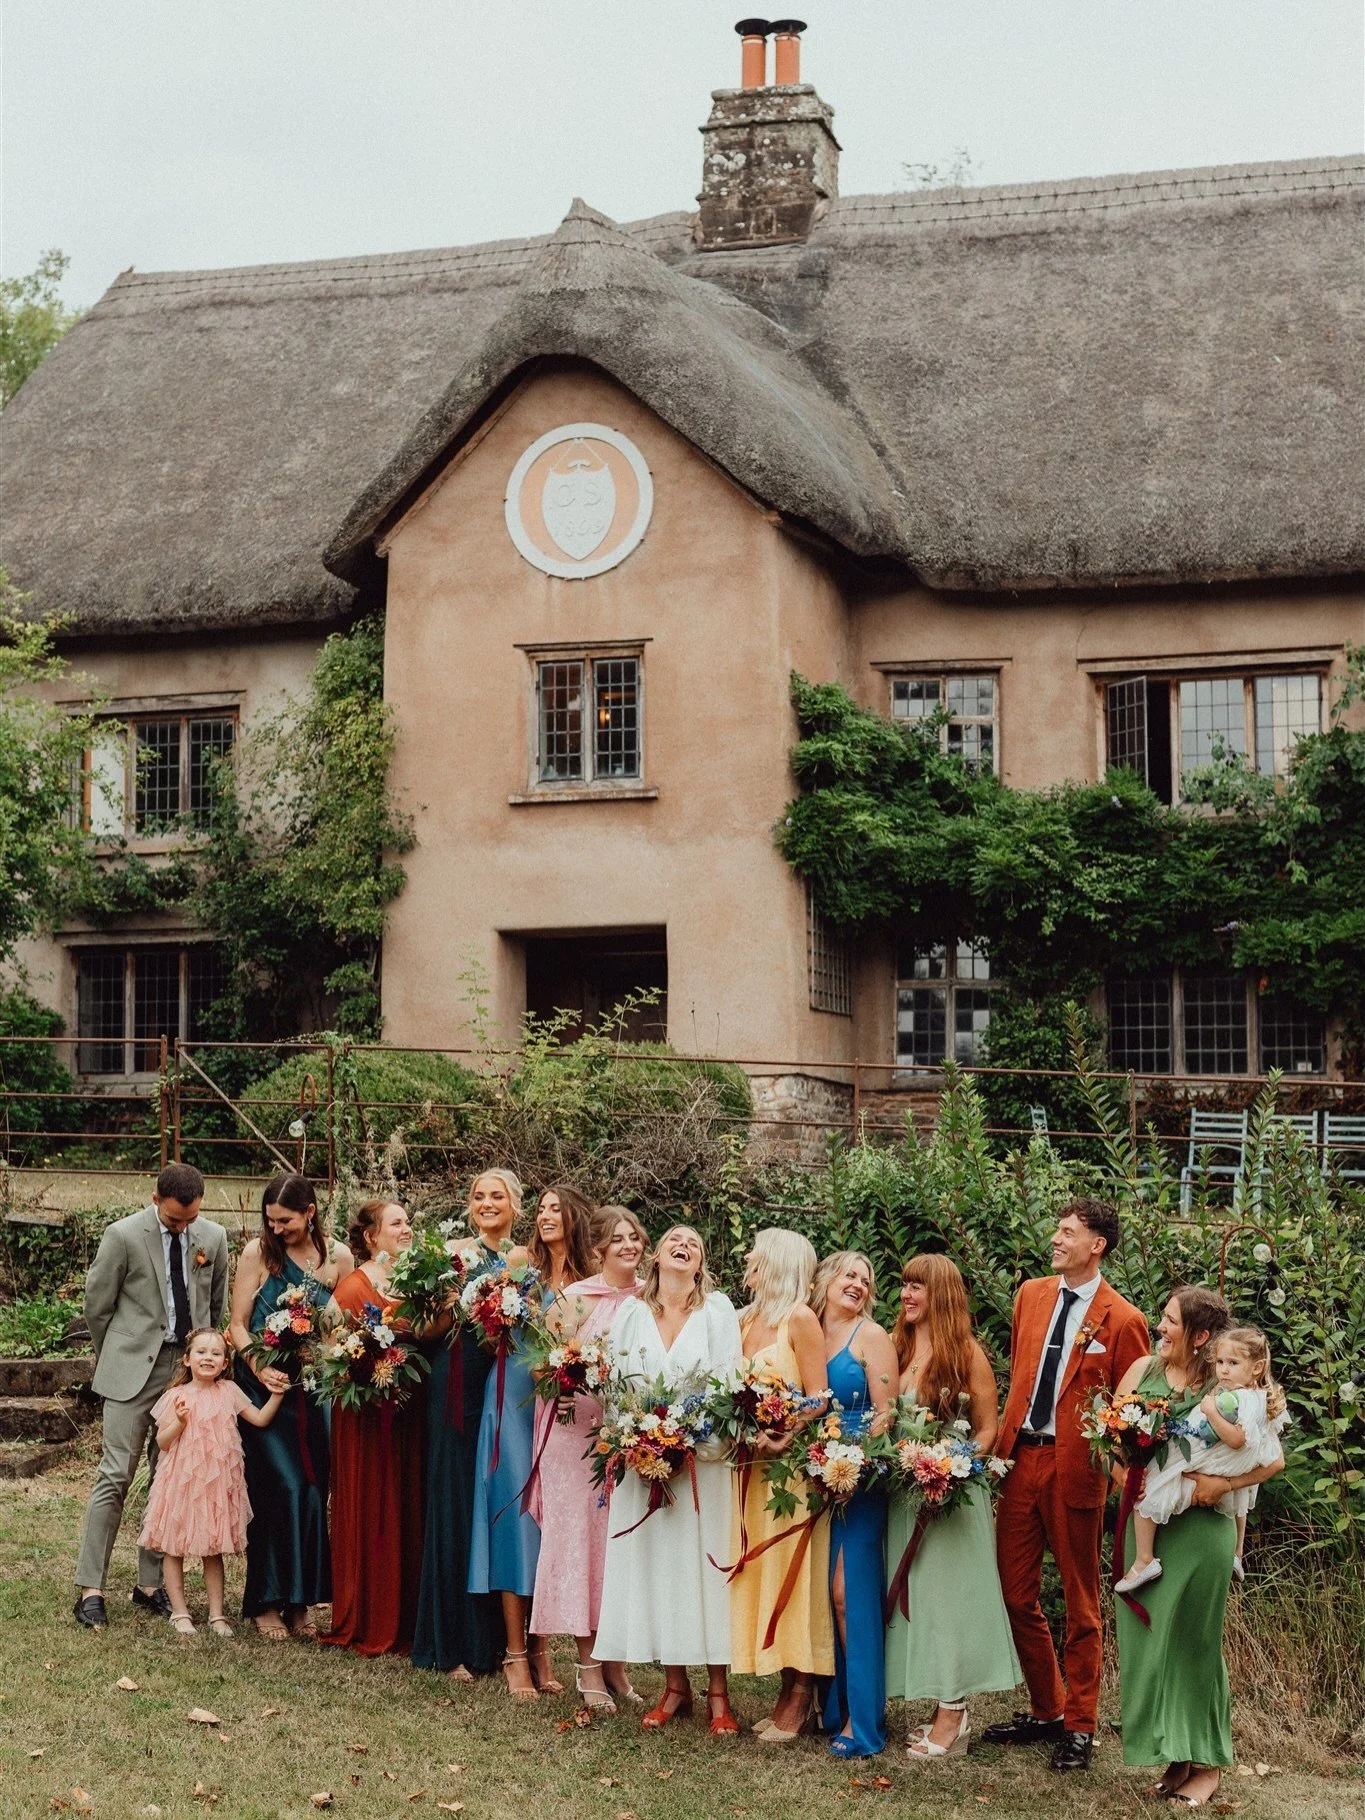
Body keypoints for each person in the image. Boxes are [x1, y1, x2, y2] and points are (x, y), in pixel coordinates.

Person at [984, 1199, 1150, 1773]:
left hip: (1076, 1470)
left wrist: (1123, 1476)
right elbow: (1022, 1375)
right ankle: (1047, 1708)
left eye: (1067, 1232)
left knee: (1082, 1602)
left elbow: (1132, 1414)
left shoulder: (1123, 1319)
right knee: (1015, 1592)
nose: (1055, 1239)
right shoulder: (1030, 1295)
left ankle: (1080, 1725)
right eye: (1057, 1229)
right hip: (1020, 1459)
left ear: (1096, 1245)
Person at [1114, 1289, 1285, 1809]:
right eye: (1162, 1318)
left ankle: (1208, 1762)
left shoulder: (1227, 1383)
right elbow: (1107, 1440)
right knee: (1152, 1643)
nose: (1160, 1328)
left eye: (1170, 1321)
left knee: (1193, 1644)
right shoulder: (1142, 1370)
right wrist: (1125, 1476)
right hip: (1148, 1522)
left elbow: (1272, 1460)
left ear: (1200, 1336)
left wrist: (1222, 1486)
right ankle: (1176, 1756)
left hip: (1201, 1529)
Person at [594, 1225, 744, 1736]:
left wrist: (691, 1447)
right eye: (675, 1240)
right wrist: (636, 1444)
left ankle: (719, 1692)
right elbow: (616, 1389)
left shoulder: (717, 1310)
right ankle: (675, 1686)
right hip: (645, 1465)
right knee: (660, 1569)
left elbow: (729, 1384)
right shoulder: (631, 1314)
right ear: (656, 1256)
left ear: (700, 1263)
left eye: (695, 1243)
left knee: (706, 1572)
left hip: (702, 1466)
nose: (685, 1245)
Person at [74, 1162, 229, 1630]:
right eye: (175, 1219)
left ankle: (149, 1583)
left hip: (184, 1373)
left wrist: (199, 1366)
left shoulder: (213, 1238)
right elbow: (97, 1306)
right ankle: (91, 1589)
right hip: (130, 1370)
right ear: (155, 1198)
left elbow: (214, 1307)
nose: (183, 1227)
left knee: (169, 1477)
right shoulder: (122, 1235)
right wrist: (115, 1358)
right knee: (116, 1474)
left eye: (190, 1219)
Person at [886, 1253, 1022, 1760]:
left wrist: (950, 1466)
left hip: (951, 1496)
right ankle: (942, 1702)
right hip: (906, 1493)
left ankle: (954, 1713)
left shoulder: (966, 1353)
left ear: (940, 1294)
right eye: (905, 1284)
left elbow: (988, 1428)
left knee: (950, 1603)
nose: (906, 1294)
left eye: (917, 1286)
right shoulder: (899, 1347)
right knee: (920, 1599)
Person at [529, 1204, 647, 1711]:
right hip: (574, 1441)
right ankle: (587, 1665)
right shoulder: (575, 1300)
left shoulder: (651, 1301)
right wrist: (564, 1384)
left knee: (618, 1547)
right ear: (598, 1248)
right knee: (581, 1544)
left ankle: (615, 1662)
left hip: (628, 1441)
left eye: (635, 1237)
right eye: (618, 1239)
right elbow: (542, 1368)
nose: (629, 1246)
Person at [228, 1172, 352, 1639]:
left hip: (312, 1390)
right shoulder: (257, 1253)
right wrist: (260, 1368)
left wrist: (331, 1356)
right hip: (263, 1388)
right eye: (271, 1221)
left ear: (310, 1212)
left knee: (313, 1490)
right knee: (278, 1487)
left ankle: (300, 1601)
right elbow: (237, 1325)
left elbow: (340, 1327)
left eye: (285, 1221)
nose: (276, 1229)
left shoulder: (338, 1257)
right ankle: (264, 1600)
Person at [412, 1171, 521, 1683]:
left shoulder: (524, 1260)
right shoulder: (454, 1254)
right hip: (457, 1384)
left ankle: (496, 1642)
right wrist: (458, 1302)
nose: (486, 1203)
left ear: (516, 1204)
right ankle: (450, 1642)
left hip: (506, 1391)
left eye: (497, 1196)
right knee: (456, 1502)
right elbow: (424, 1329)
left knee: (495, 1506)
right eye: (478, 1196)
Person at [730, 1228, 832, 1742]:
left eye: (756, 1252)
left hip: (788, 1471)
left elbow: (820, 1397)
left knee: (793, 1573)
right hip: (748, 1468)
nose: (748, 1258)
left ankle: (802, 1692)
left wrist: (785, 1428)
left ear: (777, 1262)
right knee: (762, 1572)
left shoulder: (801, 1319)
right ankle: (785, 1687)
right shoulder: (742, 1319)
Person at [319, 1199, 427, 1657]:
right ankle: (366, 1614)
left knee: (407, 1506)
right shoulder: (353, 1287)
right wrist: (363, 1371)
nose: (407, 1229)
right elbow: (329, 1348)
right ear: (371, 1236)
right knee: (372, 1505)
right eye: (396, 1223)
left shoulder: (416, 1281)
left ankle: (408, 1615)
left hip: (410, 1415)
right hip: (365, 1419)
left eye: (408, 1222)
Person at [465, 1170, 558, 1698]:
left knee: (549, 1524)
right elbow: (483, 1331)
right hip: (511, 1396)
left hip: (554, 1402)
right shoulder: (512, 1263)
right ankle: (515, 1653)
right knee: (515, 1519)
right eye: (479, 1196)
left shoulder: (558, 1267)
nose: (547, 1219)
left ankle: (542, 1647)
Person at [1116, 1322, 1287, 1595]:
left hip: (1213, 1461)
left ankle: (1144, 1559)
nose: (1224, 1370)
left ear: (1256, 1368)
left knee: (1152, 1489)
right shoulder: (1252, 1395)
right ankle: (1237, 1553)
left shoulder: (1242, 1398)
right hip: (1226, 1464)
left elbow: (1239, 1440)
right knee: (1241, 1501)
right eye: (1220, 1362)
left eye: (1232, 1363)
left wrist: (1210, 1411)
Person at [138, 1327, 283, 1635]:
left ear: (225, 1363)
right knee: (174, 1546)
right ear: (187, 1359)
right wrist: (179, 1422)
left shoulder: (229, 1391)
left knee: (213, 1547)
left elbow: (259, 1419)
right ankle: (180, 1612)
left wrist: (277, 1395)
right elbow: (163, 1442)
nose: (208, 1358)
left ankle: (217, 1614)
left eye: (216, 1353)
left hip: (216, 1486)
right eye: (201, 1352)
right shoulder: (175, 1396)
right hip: (181, 1482)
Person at [811, 1250, 898, 1758]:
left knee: (850, 1595)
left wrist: (853, 1464)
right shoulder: (806, 1330)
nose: (859, 1285)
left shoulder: (871, 1335)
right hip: (811, 1477)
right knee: (821, 1594)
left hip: (860, 1480)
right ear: (825, 1279)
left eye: (866, 1280)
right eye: (850, 1274)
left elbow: (887, 1414)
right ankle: (832, 1704)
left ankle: (863, 1721)